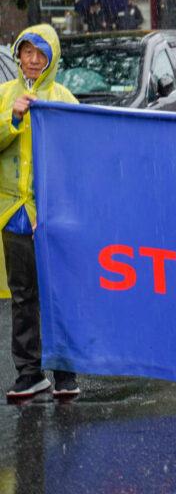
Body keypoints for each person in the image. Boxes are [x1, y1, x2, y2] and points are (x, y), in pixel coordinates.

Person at [0, 26, 79, 400]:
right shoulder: (4, 95)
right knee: (23, 296)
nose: (32, 60)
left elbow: (80, 155)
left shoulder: (64, 98)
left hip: (53, 216)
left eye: (39, 53)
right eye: (26, 52)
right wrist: (11, 120)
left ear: (52, 58)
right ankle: (29, 373)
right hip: (14, 212)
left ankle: (65, 374)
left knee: (59, 294)